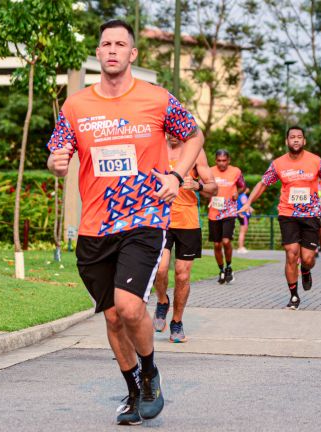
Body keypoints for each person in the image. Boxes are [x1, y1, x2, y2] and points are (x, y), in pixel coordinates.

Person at [46, 20, 203, 425]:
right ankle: (134, 391)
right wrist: (56, 162)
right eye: (105, 44)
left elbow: (194, 136)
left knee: (131, 308)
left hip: (142, 219)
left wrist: (176, 175)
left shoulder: (156, 99)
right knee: (113, 316)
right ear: (97, 53)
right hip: (94, 227)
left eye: (120, 44)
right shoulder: (76, 106)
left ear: (132, 54)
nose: (112, 50)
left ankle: (150, 375)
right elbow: (57, 153)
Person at [239, 126, 321, 310]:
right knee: (291, 253)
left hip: (311, 215)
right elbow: (262, 184)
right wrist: (247, 203)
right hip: (288, 214)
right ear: (287, 141)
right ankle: (294, 295)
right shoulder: (278, 163)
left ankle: (305, 270)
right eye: (292, 137)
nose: (295, 140)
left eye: (299, 137)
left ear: (304, 141)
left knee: (308, 259)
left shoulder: (316, 161)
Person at [152, 136, 217, 343]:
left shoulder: (195, 151)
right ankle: (162, 301)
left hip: (188, 221)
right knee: (160, 268)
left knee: (182, 275)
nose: (171, 133)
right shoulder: (155, 147)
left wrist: (197, 186)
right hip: (160, 219)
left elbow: (213, 188)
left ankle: (177, 322)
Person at [208, 149, 246, 284]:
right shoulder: (209, 171)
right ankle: (221, 270)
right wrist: (208, 196)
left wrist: (237, 193)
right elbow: (203, 188)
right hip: (214, 212)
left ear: (228, 160)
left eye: (224, 161)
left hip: (229, 211)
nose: (221, 163)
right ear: (215, 161)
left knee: (226, 241)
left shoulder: (236, 171)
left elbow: (242, 186)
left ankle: (229, 266)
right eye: (219, 160)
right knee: (217, 244)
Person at [237, 187, 252, 254]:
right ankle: (241, 247)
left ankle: (241, 247)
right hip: (244, 215)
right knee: (243, 232)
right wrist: (251, 209)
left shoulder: (240, 195)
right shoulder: (243, 196)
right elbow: (245, 204)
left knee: (242, 231)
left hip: (242, 215)